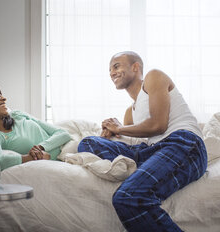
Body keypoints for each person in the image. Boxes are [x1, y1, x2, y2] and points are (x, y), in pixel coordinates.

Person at [78, 51, 207, 231]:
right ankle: (134, 172)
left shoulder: (154, 77)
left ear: (135, 67)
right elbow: (130, 139)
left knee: (127, 197)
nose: (111, 73)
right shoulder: (130, 112)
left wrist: (119, 128)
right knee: (87, 143)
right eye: (109, 70)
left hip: (183, 144)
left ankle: (135, 181)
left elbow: (158, 125)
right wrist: (110, 134)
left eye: (116, 66)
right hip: (153, 150)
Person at [0, 82, 71, 171]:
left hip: (70, 146)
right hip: (67, 159)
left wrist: (40, 147)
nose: (4, 98)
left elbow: (63, 133)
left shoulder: (18, 115)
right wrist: (30, 158)